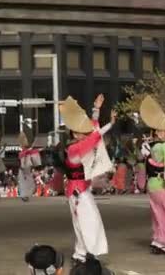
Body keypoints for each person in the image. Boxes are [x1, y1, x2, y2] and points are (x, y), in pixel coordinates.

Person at [58, 94, 116, 266]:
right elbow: (94, 135)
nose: (85, 134)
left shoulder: (78, 145)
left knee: (84, 221)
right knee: (86, 221)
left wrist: (98, 111)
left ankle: (81, 252)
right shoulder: (74, 148)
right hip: (77, 192)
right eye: (81, 132)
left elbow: (94, 132)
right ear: (75, 133)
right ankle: (84, 253)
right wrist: (104, 119)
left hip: (80, 190)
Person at [139, 95, 165, 255]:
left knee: (160, 213)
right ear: (157, 132)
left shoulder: (156, 145)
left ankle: (159, 240)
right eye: (163, 131)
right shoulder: (158, 147)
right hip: (157, 185)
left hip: (157, 185)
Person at [18, 130, 40, 202]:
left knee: (29, 183)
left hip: (27, 168)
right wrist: (22, 168)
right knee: (24, 183)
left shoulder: (27, 152)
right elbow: (22, 162)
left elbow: (33, 152)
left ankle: (26, 195)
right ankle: (24, 196)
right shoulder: (22, 153)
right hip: (24, 169)